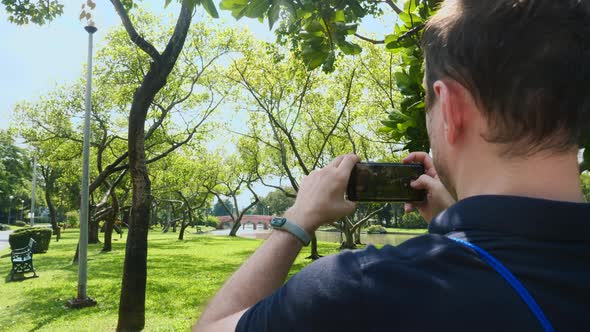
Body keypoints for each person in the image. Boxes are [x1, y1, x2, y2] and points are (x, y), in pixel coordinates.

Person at [195, 0, 590, 331]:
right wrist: (457, 223)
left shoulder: (361, 288)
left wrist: (296, 220)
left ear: (450, 107)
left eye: (427, 104)